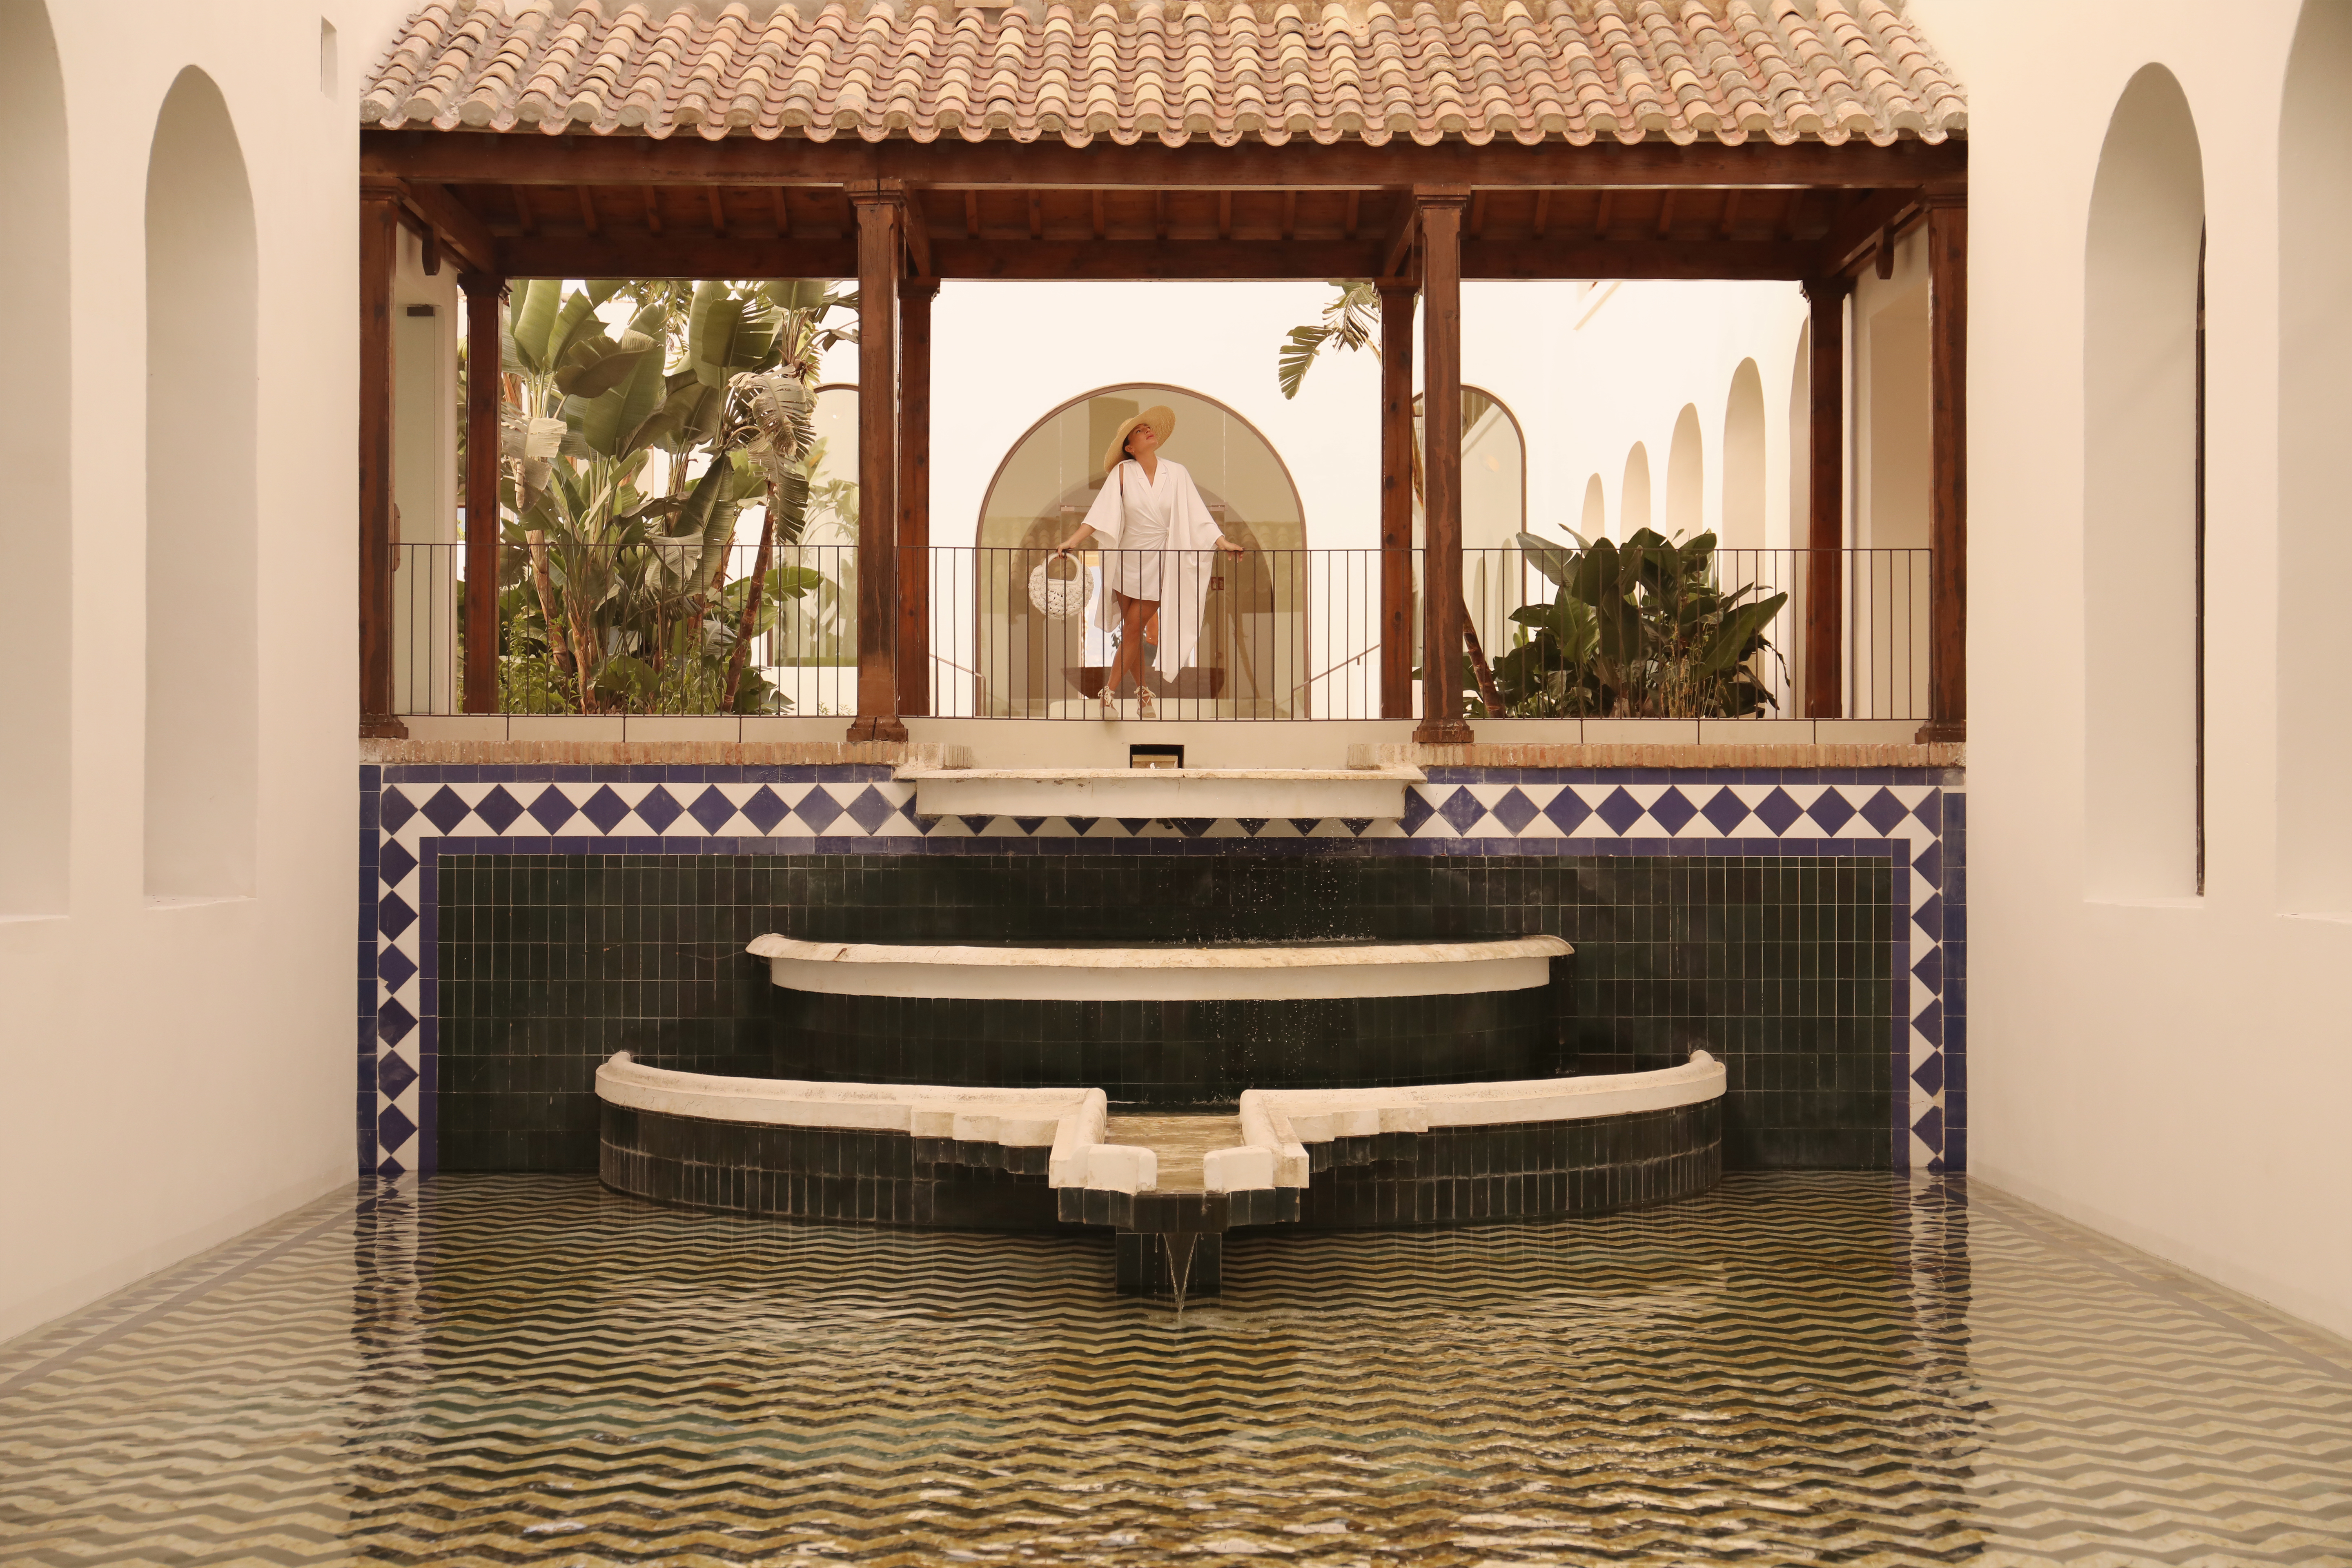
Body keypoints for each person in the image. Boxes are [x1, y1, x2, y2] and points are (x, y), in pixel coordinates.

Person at [1052, 405, 1244, 720]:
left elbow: (1199, 515)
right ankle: (1144, 697)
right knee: (1134, 630)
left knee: (1134, 626)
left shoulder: (1178, 473)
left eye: (1148, 429)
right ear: (1130, 447)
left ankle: (1109, 693)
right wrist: (1073, 541)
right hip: (1127, 559)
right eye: (1140, 432)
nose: (1148, 432)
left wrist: (1223, 543)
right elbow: (1100, 514)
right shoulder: (1123, 473)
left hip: (1160, 562)